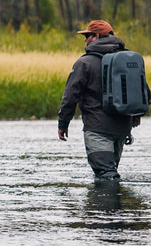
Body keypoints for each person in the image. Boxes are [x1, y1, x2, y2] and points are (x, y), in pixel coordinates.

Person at [57, 20, 140, 181]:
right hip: (122, 129)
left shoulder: (84, 63)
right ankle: (119, 206)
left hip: (97, 130)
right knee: (110, 174)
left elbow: (70, 96)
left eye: (87, 35)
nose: (85, 40)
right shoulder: (127, 61)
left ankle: (107, 206)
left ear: (96, 37)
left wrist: (63, 124)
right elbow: (141, 91)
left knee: (106, 176)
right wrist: (135, 117)